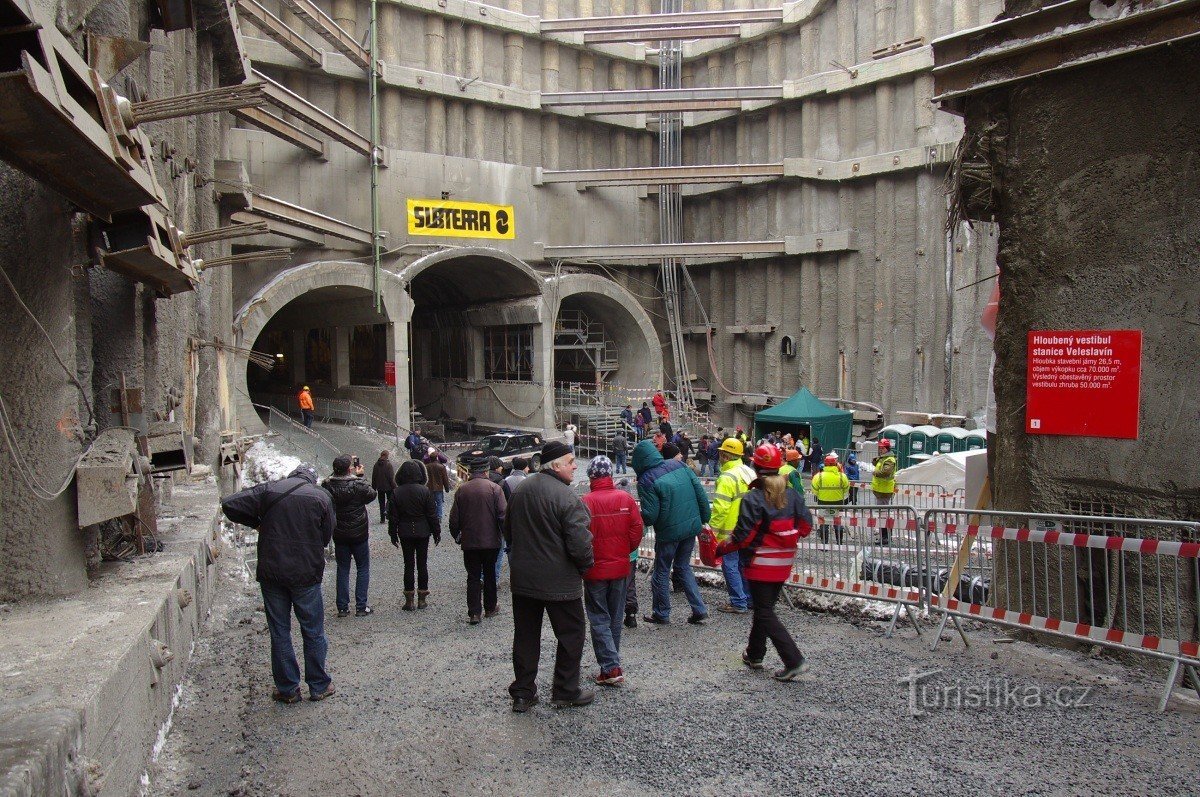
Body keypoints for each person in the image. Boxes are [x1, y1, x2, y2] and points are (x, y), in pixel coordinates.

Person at [221, 465, 336, 703]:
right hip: (306, 573)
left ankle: (287, 689)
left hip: (273, 572)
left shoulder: (270, 490)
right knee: (313, 630)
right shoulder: (321, 497)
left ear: (292, 475)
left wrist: (256, 523)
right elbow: (326, 536)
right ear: (312, 480)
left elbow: (230, 504)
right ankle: (318, 685)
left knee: (280, 631)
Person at [709, 443, 813, 682]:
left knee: (765, 612)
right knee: (763, 607)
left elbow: (743, 538)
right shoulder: (793, 495)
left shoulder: (754, 497)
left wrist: (721, 548)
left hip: (759, 564)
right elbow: (806, 527)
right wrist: (787, 537)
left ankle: (793, 659)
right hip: (784, 562)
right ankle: (755, 654)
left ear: (756, 465)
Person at [505, 441, 595, 712]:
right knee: (571, 633)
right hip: (560, 581)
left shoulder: (520, 490)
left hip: (524, 580)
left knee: (525, 635)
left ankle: (523, 692)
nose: (575, 466)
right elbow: (580, 544)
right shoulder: (567, 498)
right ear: (555, 466)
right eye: (570, 461)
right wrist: (585, 567)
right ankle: (565, 689)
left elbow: (507, 530)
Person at [632, 439, 711, 625]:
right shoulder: (678, 464)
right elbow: (699, 491)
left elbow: (651, 516)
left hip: (668, 532)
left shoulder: (646, 480)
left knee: (661, 570)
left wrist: (637, 516)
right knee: (683, 567)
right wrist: (704, 516)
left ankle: (661, 612)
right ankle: (699, 608)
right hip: (691, 526)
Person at [580, 456, 643, 686]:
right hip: (620, 567)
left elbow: (579, 536)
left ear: (591, 477)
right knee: (615, 617)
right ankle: (611, 662)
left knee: (598, 616)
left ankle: (611, 667)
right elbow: (637, 528)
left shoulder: (585, 502)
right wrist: (627, 549)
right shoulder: (625, 498)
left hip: (595, 569)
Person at [449, 459, 506, 624]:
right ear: (486, 471)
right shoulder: (495, 489)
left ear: (472, 472)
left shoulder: (462, 490)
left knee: (473, 576)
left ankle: (474, 613)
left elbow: (454, 519)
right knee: (489, 574)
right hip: (491, 541)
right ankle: (490, 607)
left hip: (470, 541)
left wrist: (457, 536)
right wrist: (506, 536)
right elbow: (503, 515)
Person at [322, 456, 378, 617]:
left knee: (343, 568)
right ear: (349, 469)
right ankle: (361, 605)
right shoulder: (357, 485)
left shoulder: (327, 485)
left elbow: (327, 484)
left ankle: (342, 607)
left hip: (339, 532)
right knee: (362, 568)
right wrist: (360, 476)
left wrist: (340, 471)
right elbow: (372, 494)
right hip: (358, 531)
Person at [710, 438, 757, 614]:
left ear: (725, 455)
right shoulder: (748, 471)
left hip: (731, 531)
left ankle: (738, 602)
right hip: (749, 528)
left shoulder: (727, 477)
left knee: (730, 565)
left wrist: (712, 532)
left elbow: (721, 508)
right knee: (744, 564)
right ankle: (749, 599)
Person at [389, 459, 440, 610]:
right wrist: (436, 531)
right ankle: (422, 597)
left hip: (405, 531)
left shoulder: (397, 492)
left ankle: (409, 599)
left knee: (408, 564)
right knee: (422, 563)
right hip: (423, 530)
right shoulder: (425, 491)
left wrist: (392, 533)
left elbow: (393, 517)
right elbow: (432, 514)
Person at [811, 453, 851, 544]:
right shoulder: (842, 476)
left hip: (823, 502)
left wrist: (821, 495)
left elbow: (814, 489)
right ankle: (839, 542)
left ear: (825, 464)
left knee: (823, 522)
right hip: (838, 502)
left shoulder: (819, 476)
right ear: (835, 464)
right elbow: (846, 488)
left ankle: (824, 543)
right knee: (837, 522)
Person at [489, 456, 514, 584]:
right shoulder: (502, 483)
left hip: (482, 523)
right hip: (498, 523)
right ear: (497, 467)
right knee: (498, 553)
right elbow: (508, 504)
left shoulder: (478, 482)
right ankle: (494, 579)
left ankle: (483, 577)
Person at [871, 439, 899, 544]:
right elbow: (877, 464)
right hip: (881, 490)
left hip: (884, 490)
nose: (880, 450)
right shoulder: (884, 459)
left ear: (887, 448)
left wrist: (875, 472)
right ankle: (885, 537)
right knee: (883, 514)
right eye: (880, 448)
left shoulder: (889, 460)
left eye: (882, 448)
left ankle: (885, 538)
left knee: (883, 515)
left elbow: (885, 472)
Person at [424, 447, 452, 522]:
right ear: (437, 457)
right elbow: (445, 479)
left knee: (431, 503)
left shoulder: (426, 467)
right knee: (439, 503)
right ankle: (439, 517)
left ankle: (431, 516)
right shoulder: (441, 467)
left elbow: (425, 478)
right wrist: (447, 488)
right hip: (439, 488)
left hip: (429, 488)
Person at [370, 450, 395, 523]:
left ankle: (382, 519)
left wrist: (373, 488)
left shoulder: (376, 465)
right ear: (387, 455)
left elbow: (373, 477)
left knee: (381, 503)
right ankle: (388, 512)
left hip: (380, 487)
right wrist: (395, 487)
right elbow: (391, 478)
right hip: (388, 487)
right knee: (390, 500)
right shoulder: (388, 465)